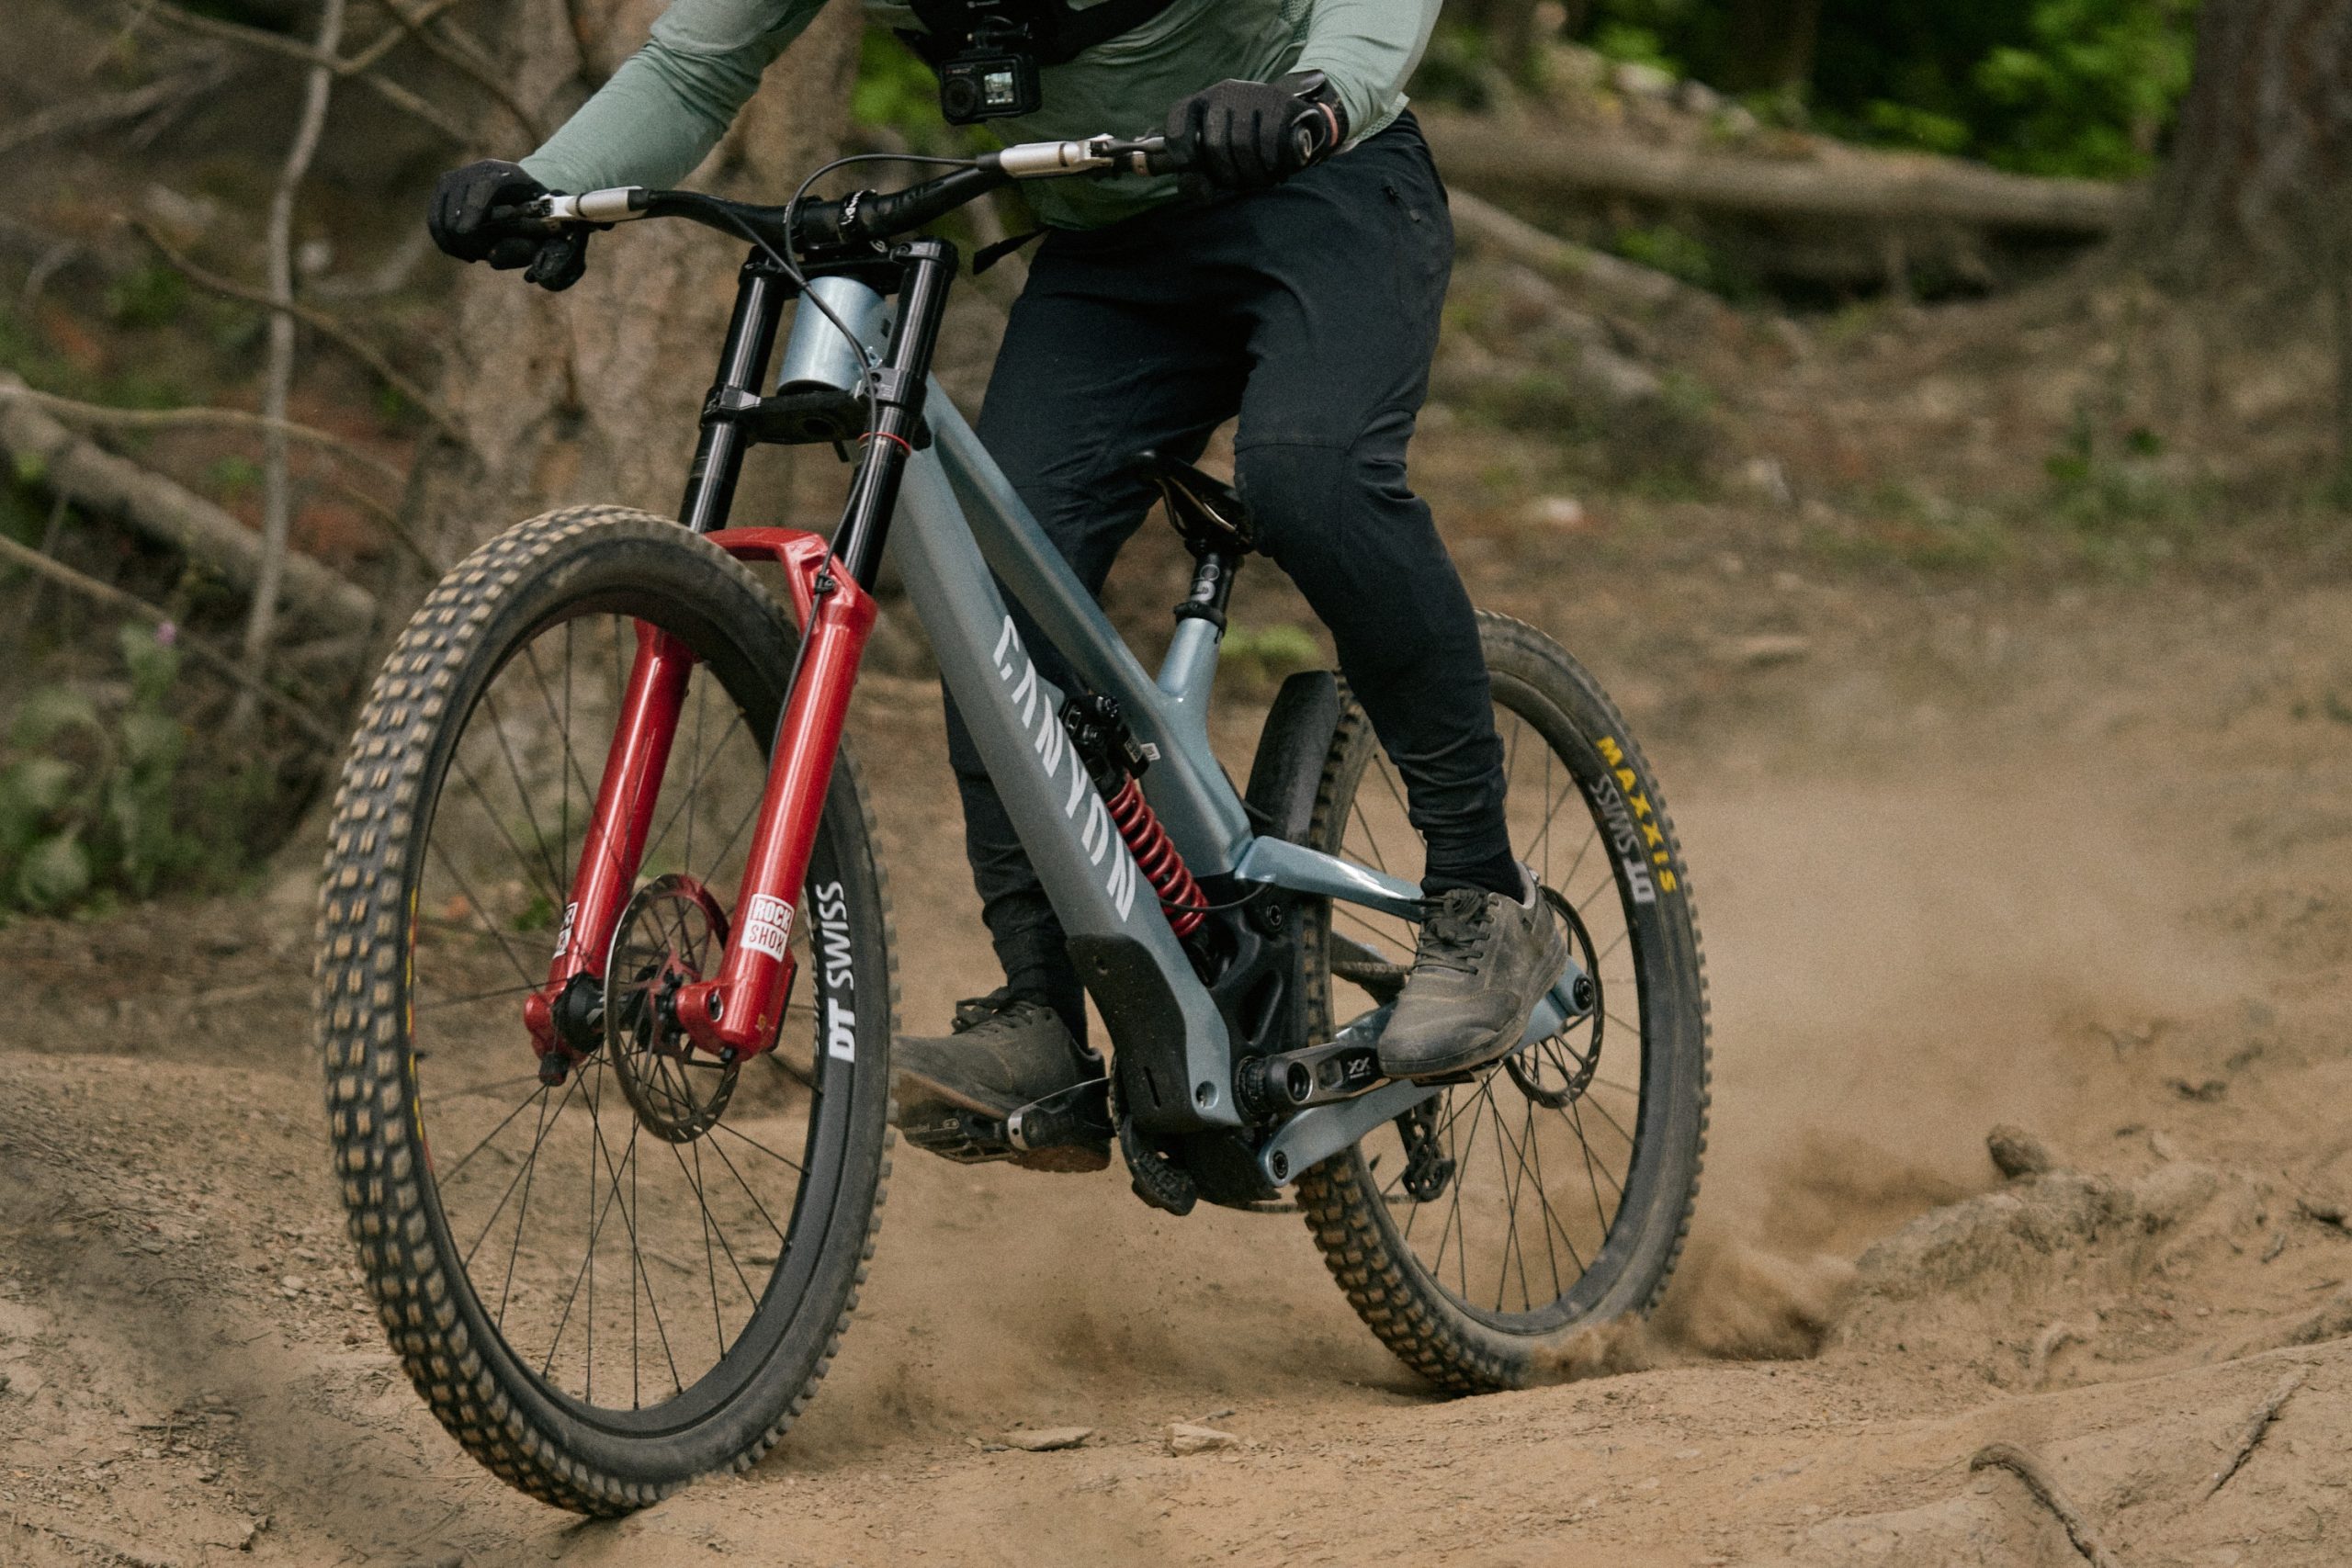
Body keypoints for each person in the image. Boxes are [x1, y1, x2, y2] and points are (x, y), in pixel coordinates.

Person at [424, 0, 1566, 1165]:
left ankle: (1483, 898)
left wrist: (1319, 96)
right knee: (995, 601)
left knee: (1313, 479)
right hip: (1108, 253)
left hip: (1325, 189)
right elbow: (694, 66)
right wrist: (548, 180)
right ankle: (1040, 1014)